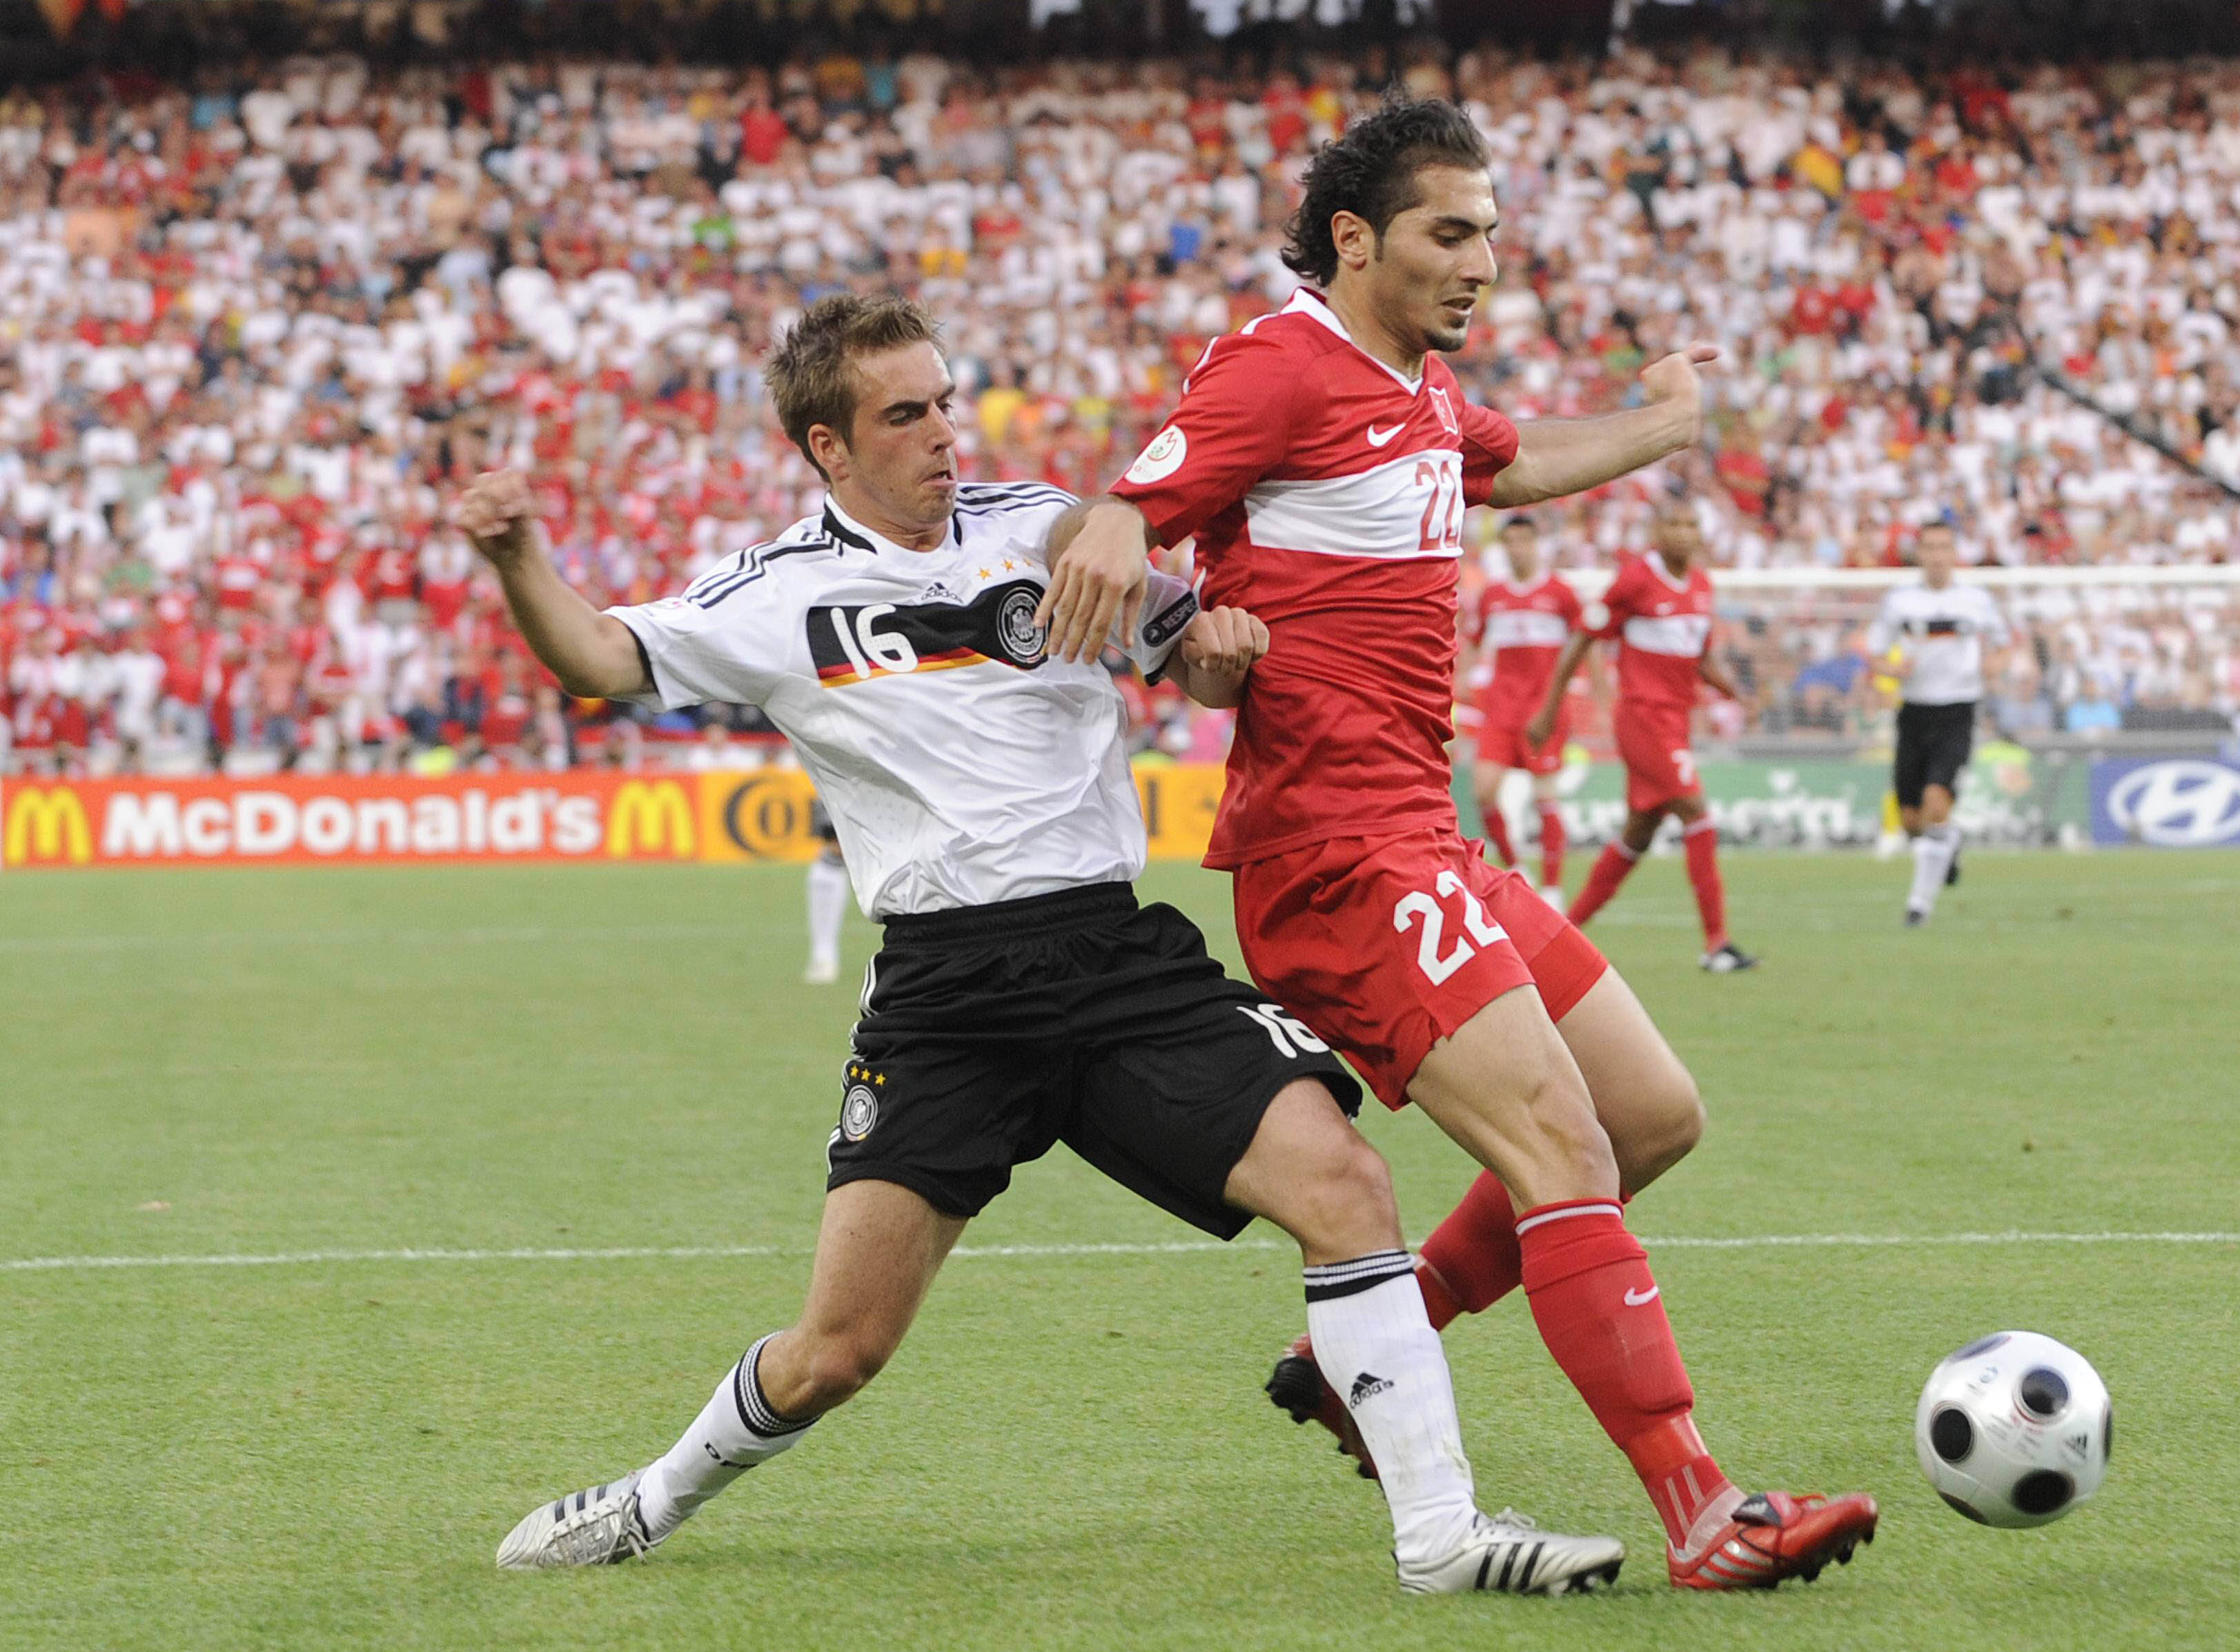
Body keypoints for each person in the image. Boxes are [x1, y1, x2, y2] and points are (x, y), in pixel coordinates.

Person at [471, 293, 1623, 1596]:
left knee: (1346, 1184)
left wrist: (1220, 646)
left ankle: (1442, 1538)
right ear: (828, 450)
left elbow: (1190, 652)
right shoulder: (780, 591)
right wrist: (519, 556)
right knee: (836, 1349)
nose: (942, 434)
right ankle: (645, 1497)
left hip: (1113, 958)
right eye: (903, 414)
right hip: (945, 994)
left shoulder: (1045, 530)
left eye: (946, 401)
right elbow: (597, 656)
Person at [1047, 99, 1878, 1591]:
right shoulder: (1281, 361)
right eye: (1450, 232)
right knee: (1562, 1145)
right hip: (1335, 852)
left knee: (1649, 1119)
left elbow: (1525, 459)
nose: (1482, 260)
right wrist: (1124, 539)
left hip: (1427, 835)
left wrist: (1669, 423)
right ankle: (1703, 1509)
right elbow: (1128, 511)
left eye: (1491, 232)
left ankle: (1358, 1348)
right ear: (1354, 238)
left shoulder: (1418, 390)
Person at [1537, 502, 1755, 970]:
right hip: (1642, 720)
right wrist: (1549, 708)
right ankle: (1717, 944)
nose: (1683, 531)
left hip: (1675, 721)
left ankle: (1560, 937)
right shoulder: (1635, 580)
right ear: (1658, 530)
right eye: (1674, 522)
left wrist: (1738, 694)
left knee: (1638, 834)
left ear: (1701, 533)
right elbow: (1583, 637)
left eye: (1691, 523)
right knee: (1698, 814)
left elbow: (1700, 658)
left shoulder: (1701, 586)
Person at [1862, 518, 2006, 925]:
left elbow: (2005, 643)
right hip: (1914, 712)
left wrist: (1996, 662)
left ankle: (1918, 906)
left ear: (1954, 552)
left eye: (1945, 547)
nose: (1938, 556)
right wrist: (1891, 670)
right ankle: (1951, 842)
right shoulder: (1900, 601)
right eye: (1930, 547)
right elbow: (1874, 653)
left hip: (1958, 710)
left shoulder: (1975, 600)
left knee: (1935, 803)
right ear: (1919, 553)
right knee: (1912, 821)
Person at [1464, 515, 1584, 889]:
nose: (1517, 549)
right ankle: (1519, 868)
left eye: (1523, 541)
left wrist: (1591, 691)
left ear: (1536, 544)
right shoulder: (1493, 596)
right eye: (1510, 542)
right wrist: (1464, 679)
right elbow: (1473, 641)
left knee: (1545, 794)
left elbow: (1584, 641)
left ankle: (1553, 890)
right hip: (1501, 707)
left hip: (1542, 709)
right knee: (1483, 790)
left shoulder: (1560, 594)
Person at [805, 798, 854, 983]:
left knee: (828, 920)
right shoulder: (824, 800)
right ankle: (822, 959)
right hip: (827, 867)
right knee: (820, 921)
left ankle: (827, 961)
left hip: (836, 870)